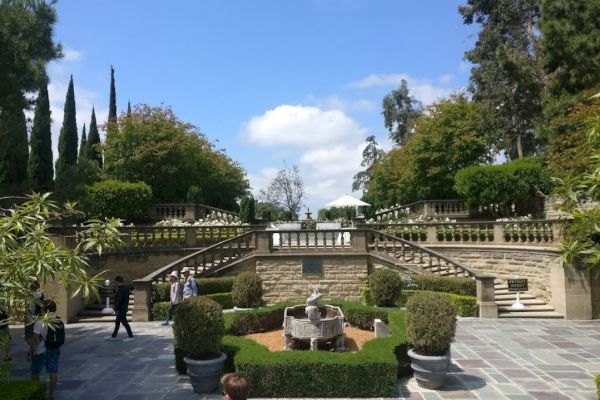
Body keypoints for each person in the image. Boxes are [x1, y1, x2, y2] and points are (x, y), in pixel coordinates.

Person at [29, 299, 64, 400]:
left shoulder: (40, 322)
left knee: (35, 372)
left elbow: (35, 339)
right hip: (54, 349)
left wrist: (31, 352)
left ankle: (37, 393)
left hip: (41, 350)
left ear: (44, 310)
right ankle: (50, 395)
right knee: (53, 372)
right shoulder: (58, 321)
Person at [106, 276, 133, 341]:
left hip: (121, 309)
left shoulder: (121, 289)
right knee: (117, 322)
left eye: (116, 282)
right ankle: (113, 336)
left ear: (118, 281)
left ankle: (131, 336)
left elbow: (119, 300)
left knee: (124, 322)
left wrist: (116, 308)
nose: (116, 284)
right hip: (123, 308)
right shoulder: (125, 288)